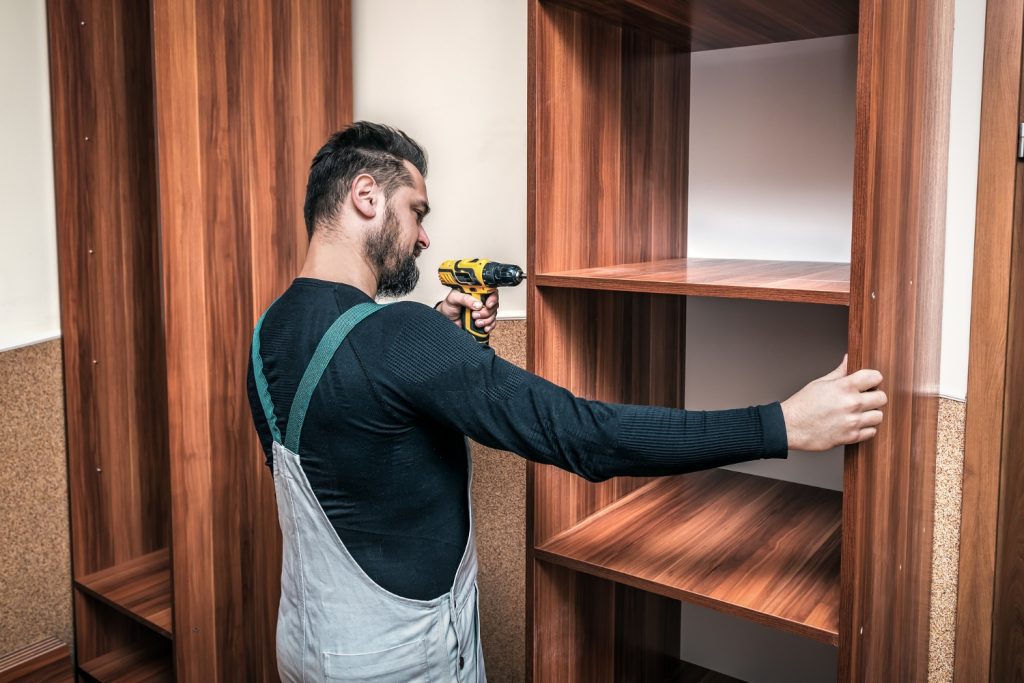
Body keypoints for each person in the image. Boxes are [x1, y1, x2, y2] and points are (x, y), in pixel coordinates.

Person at [246, 122, 887, 682]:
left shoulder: (268, 332)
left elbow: (351, 447)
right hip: (402, 659)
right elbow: (582, 434)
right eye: (417, 211)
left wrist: (437, 345)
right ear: (366, 196)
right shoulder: (397, 338)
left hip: (308, 646)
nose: (423, 237)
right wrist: (782, 424)